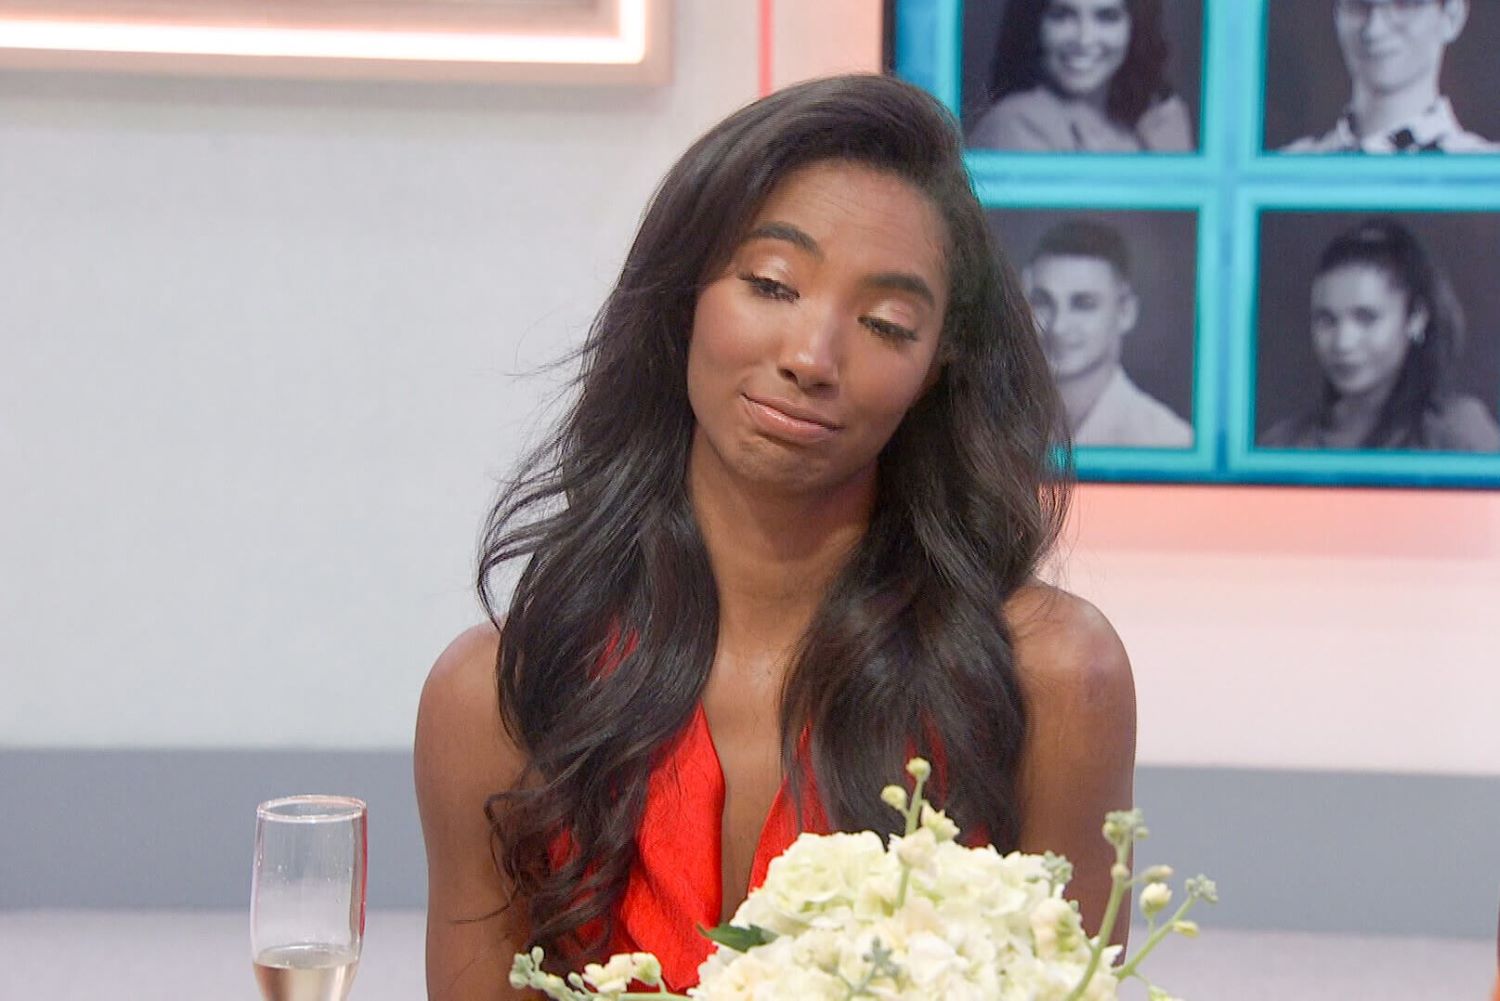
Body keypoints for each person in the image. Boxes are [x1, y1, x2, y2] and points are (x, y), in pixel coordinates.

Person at [415, 74, 1136, 999]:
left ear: (935, 368)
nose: (811, 357)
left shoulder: (1054, 676)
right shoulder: (498, 695)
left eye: (885, 323)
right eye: (771, 284)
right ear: (681, 297)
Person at [1261, 217, 1500, 451]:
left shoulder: (1459, 433)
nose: (1342, 343)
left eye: (1366, 318)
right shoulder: (1283, 443)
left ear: (1416, 319)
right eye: (1327, 320)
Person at [1022, 218, 1193, 448]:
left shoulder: (1167, 440)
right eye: (1043, 302)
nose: (1058, 326)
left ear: (1126, 312)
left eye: (1083, 304)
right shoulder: (994, 427)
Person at [968, 0, 1195, 153]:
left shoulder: (1156, 119)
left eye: (1106, 17)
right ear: (1035, 23)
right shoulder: (1014, 123)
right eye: (1062, 16)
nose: (1084, 39)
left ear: (1134, 26)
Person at [1282, 0, 1499, 154]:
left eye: (1403, 4)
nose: (1374, 29)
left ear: (1452, 15)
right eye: (1357, 4)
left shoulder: (1485, 170)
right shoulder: (1287, 169)